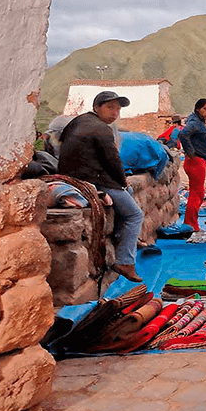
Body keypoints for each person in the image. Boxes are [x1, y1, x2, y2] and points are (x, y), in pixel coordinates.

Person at [58, 91, 144, 282]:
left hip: (72, 176)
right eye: (110, 107)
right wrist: (122, 181)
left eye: (118, 109)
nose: (115, 113)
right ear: (97, 108)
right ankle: (125, 262)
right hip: (90, 179)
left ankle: (126, 238)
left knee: (128, 193)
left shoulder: (79, 121)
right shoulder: (101, 128)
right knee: (135, 214)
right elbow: (112, 161)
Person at [179, 98, 206, 232]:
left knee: (198, 193)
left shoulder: (198, 121)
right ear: (197, 109)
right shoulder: (195, 122)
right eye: (205, 109)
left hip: (197, 160)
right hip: (195, 161)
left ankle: (191, 223)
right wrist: (191, 152)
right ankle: (190, 224)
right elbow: (184, 134)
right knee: (196, 194)